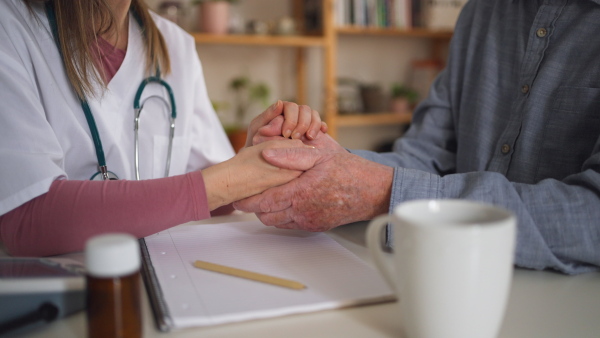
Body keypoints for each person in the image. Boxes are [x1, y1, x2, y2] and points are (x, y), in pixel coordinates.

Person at [235, 0, 600, 275]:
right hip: (444, 276)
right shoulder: (481, 12)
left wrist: (376, 190)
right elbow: (427, 156)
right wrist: (318, 161)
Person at [0, 0, 325, 257]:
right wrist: (230, 180)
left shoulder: (175, 44)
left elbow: (214, 196)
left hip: (171, 272)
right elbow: (26, 218)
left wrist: (256, 158)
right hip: (69, 294)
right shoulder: (10, 25)